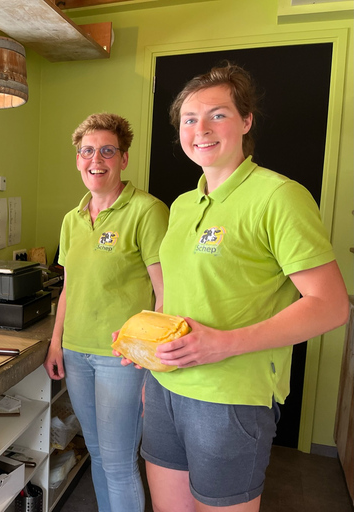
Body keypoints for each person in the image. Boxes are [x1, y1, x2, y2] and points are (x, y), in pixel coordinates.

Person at [138, 63, 349, 512]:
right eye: (190, 119)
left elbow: (330, 306)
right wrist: (145, 344)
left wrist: (223, 345)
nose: (201, 129)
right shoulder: (182, 204)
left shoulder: (279, 196)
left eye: (218, 114)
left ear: (246, 121)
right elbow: (176, 297)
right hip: (164, 386)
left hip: (230, 398)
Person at [43, 113, 169, 512]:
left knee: (118, 462)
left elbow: (166, 293)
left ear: (123, 158)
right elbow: (68, 287)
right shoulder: (71, 219)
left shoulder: (147, 211)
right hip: (77, 353)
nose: (96, 159)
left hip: (122, 359)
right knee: (96, 454)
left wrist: (151, 360)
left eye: (107, 150)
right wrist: (55, 343)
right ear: (78, 158)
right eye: (87, 151)